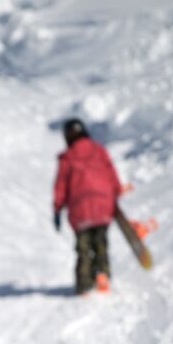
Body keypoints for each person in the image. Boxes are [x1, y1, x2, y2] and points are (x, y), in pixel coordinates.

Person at [52, 117, 123, 295]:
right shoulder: (99, 150)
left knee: (84, 248)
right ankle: (102, 275)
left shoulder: (67, 158)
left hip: (80, 209)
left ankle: (84, 283)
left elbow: (61, 186)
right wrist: (115, 192)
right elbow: (111, 174)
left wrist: (57, 208)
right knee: (101, 243)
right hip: (103, 205)